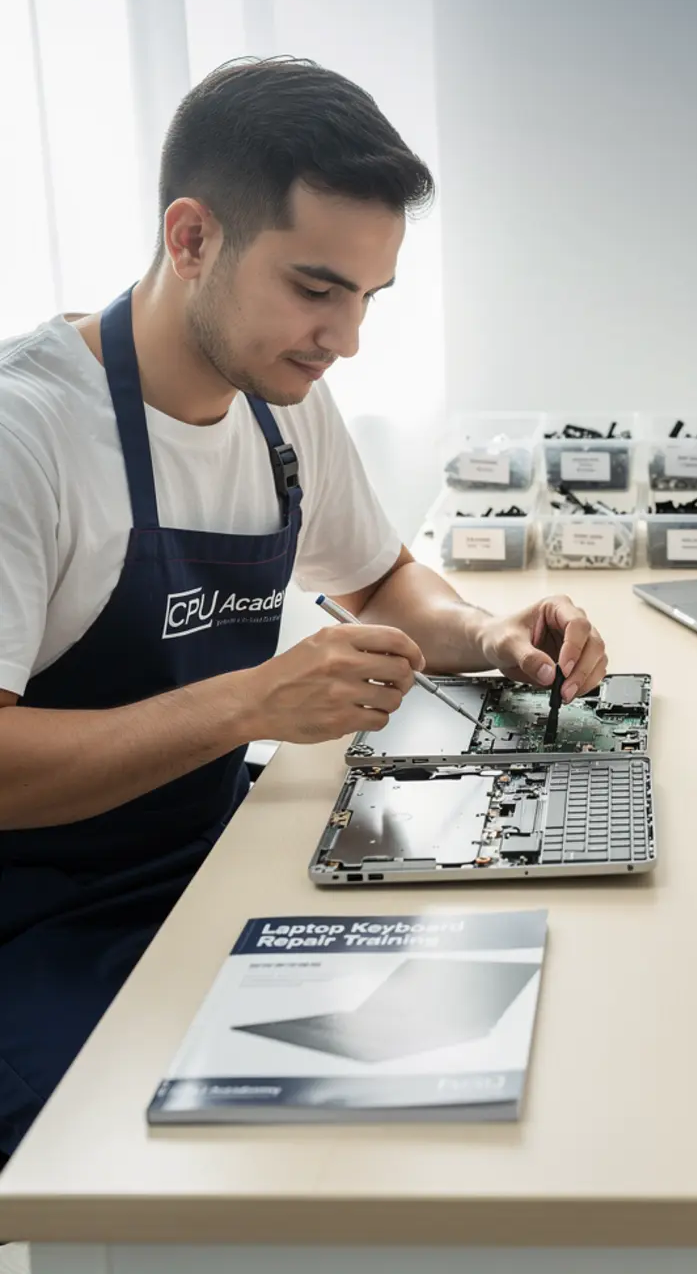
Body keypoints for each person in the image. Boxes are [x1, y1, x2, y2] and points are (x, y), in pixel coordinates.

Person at [0, 58, 607, 1159]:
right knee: (153, 1165)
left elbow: (377, 581)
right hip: (37, 918)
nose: (346, 338)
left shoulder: (282, 407)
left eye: (368, 299)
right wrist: (248, 704)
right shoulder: (26, 436)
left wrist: (487, 636)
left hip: (211, 858)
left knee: (475, 1067)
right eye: (317, 288)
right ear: (192, 240)